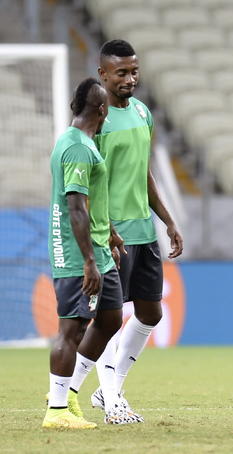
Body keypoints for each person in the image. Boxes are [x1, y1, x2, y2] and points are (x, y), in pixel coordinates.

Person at [90, 39, 183, 420]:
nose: (130, 79)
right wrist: (105, 228)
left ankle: (108, 389)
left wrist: (168, 220)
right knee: (108, 319)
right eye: (121, 73)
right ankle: (113, 401)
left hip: (144, 230)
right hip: (111, 233)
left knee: (150, 313)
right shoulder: (95, 120)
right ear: (103, 75)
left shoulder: (143, 113)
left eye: (134, 71)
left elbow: (143, 173)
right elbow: (89, 182)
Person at [43, 78, 130, 428]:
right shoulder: (77, 148)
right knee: (72, 329)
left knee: (110, 319)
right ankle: (57, 409)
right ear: (102, 110)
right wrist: (89, 262)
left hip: (98, 247)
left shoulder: (83, 143)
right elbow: (76, 207)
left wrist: (110, 234)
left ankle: (68, 394)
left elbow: (92, 202)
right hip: (77, 254)